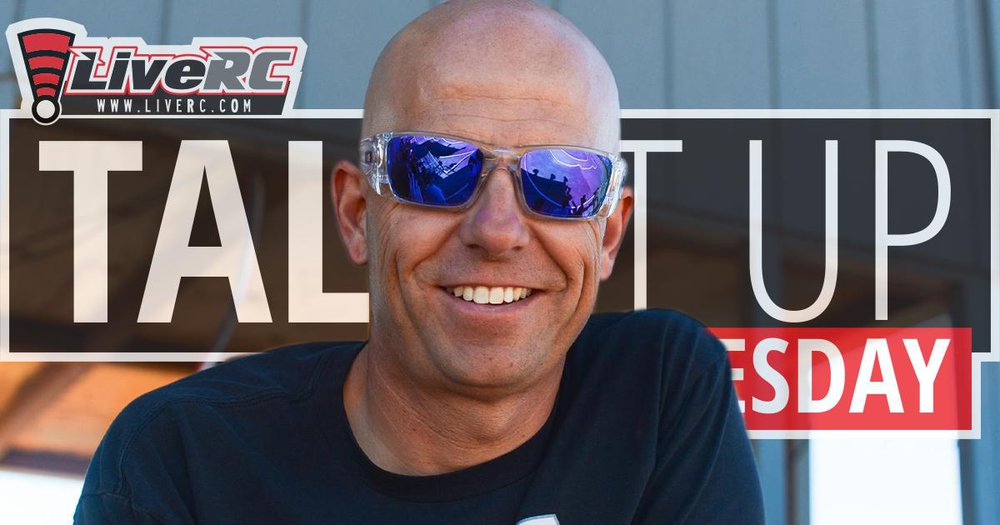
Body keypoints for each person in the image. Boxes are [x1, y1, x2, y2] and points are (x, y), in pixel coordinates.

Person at [75, 1, 764, 523]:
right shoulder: (181, 460)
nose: (498, 230)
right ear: (357, 214)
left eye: (561, 180)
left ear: (608, 234)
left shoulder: (657, 393)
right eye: (437, 168)